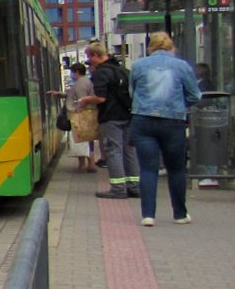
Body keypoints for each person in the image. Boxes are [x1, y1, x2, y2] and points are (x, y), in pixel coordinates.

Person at [128, 31, 202, 227]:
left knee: (148, 169)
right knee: (176, 169)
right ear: (171, 46)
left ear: (151, 47)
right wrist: (179, 105)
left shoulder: (138, 65)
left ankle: (148, 215)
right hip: (173, 122)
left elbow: (132, 92)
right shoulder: (181, 66)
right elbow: (195, 95)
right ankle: (179, 214)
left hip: (143, 121)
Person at [82, 42, 136, 198]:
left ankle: (118, 188)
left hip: (111, 117)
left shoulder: (101, 73)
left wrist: (86, 100)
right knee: (129, 150)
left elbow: (100, 97)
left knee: (113, 151)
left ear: (95, 55)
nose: (89, 62)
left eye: (89, 58)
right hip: (128, 114)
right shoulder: (123, 70)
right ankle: (134, 185)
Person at [65, 63, 96, 172]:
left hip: (82, 114)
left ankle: (87, 164)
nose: (71, 75)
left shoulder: (80, 84)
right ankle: (88, 163)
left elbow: (82, 100)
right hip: (88, 112)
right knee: (88, 140)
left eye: (72, 72)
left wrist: (76, 110)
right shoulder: (87, 81)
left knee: (82, 140)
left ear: (77, 72)